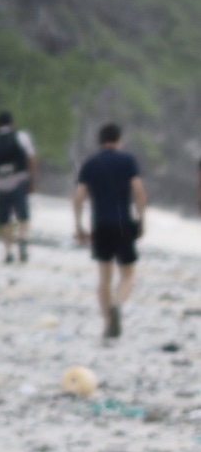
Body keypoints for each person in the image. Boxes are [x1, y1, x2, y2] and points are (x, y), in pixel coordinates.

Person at [72, 122, 148, 341]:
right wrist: (142, 221)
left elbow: (78, 197)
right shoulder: (128, 161)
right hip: (123, 223)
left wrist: (79, 226)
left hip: (100, 224)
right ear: (119, 140)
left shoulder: (91, 163)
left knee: (104, 277)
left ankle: (107, 323)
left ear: (100, 140)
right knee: (128, 273)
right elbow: (139, 193)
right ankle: (117, 303)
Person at [0, 110, 38, 263]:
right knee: (23, 215)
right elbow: (32, 158)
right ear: (12, 123)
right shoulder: (21, 136)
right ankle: (22, 238)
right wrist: (33, 180)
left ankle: (8, 251)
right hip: (19, 179)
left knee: (3, 219)